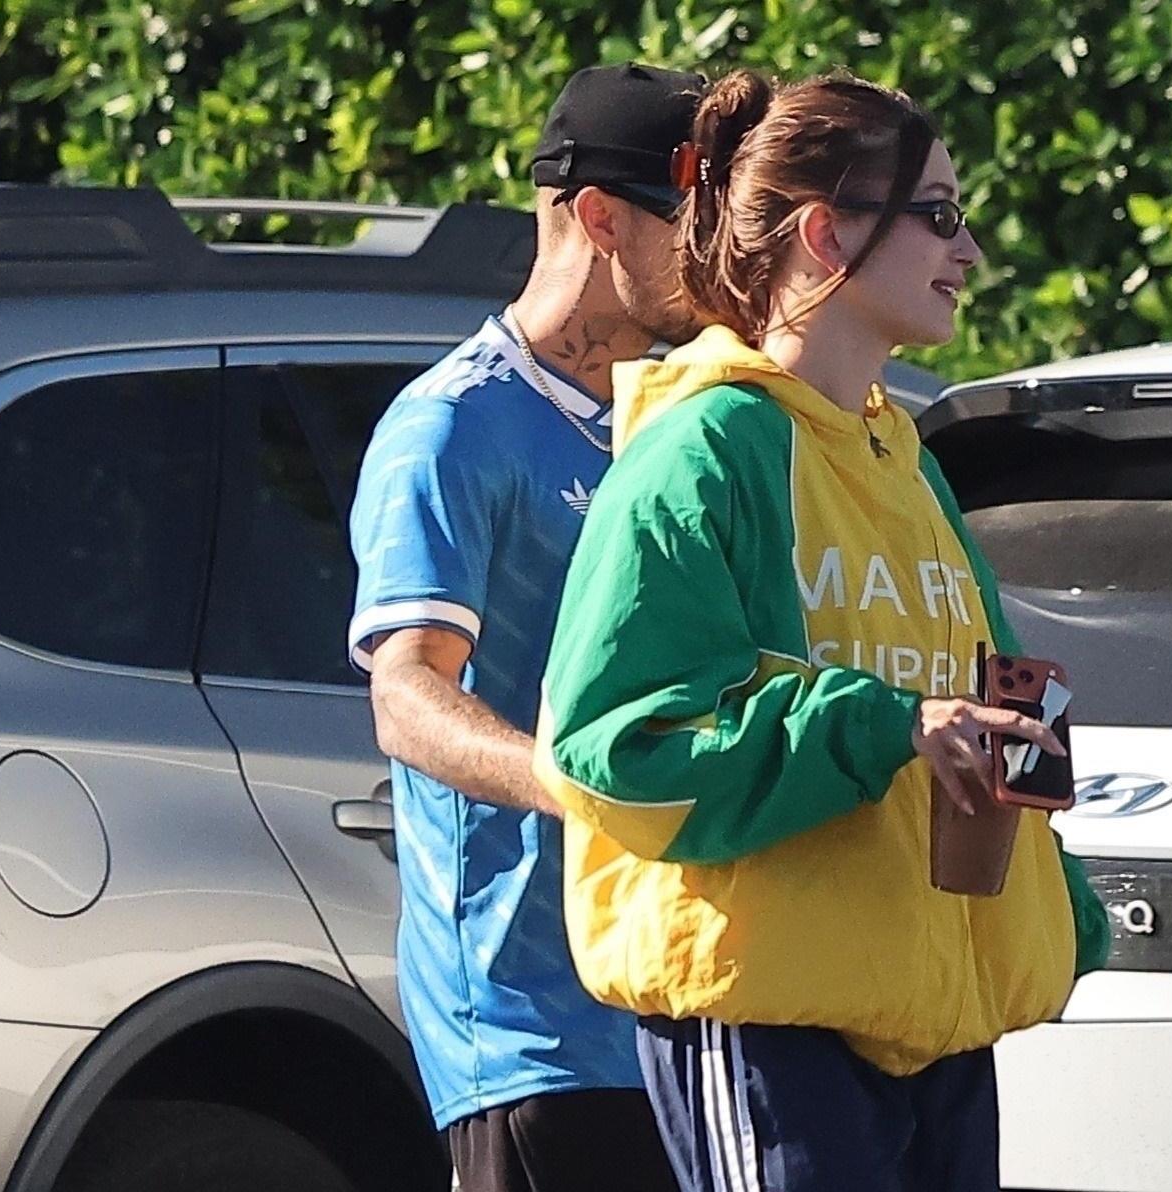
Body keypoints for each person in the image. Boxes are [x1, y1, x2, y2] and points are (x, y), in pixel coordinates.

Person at [533, 70, 1111, 1192]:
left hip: (936, 1030)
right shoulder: (703, 452)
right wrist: (886, 725)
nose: (969, 249)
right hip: (771, 1021)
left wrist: (1059, 908)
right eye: (937, 214)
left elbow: (984, 705)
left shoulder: (908, 464)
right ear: (824, 233)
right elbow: (615, 750)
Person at [347, 63, 707, 1192]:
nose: (723, 258)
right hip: (532, 1034)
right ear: (600, 217)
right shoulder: (454, 425)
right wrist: (581, 783)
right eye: (696, 223)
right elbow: (406, 696)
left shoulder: (681, 420)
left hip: (682, 998)